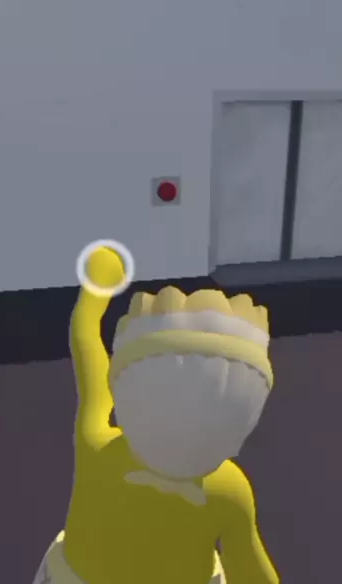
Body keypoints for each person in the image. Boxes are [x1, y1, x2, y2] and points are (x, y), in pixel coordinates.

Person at [32, 246, 280, 584]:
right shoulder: (229, 490)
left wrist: (98, 284)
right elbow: (251, 573)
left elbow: (85, 338)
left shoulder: (98, 447)